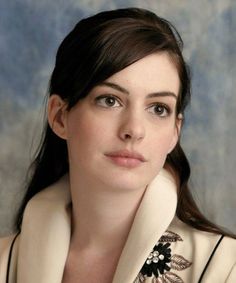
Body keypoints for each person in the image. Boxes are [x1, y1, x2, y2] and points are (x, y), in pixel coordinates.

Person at [0, 7, 235, 283]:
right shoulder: (4, 261)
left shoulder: (227, 267)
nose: (133, 130)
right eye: (110, 100)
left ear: (175, 131)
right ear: (60, 116)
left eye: (158, 108)